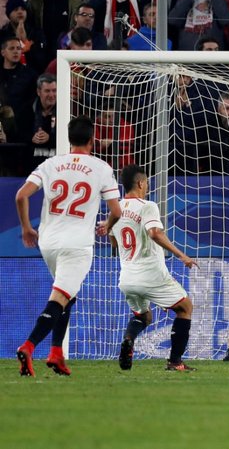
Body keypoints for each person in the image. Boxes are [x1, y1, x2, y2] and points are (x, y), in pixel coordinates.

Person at [14, 116, 122, 377]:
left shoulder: (51, 163)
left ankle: (56, 354)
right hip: (77, 244)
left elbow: (21, 195)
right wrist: (107, 225)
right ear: (92, 139)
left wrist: (27, 228)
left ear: (69, 138)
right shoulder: (101, 168)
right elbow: (117, 211)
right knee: (60, 297)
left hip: (48, 242)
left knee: (67, 296)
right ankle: (28, 346)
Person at [109, 164, 198, 372]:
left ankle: (129, 339)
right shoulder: (147, 206)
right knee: (185, 308)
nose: (147, 186)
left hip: (127, 279)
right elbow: (155, 233)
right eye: (147, 182)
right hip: (150, 274)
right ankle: (175, 362)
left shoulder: (115, 209)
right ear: (140, 183)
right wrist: (182, 255)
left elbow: (114, 244)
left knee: (144, 316)